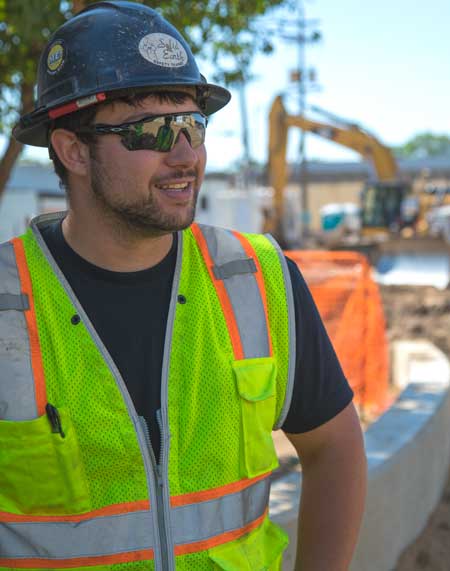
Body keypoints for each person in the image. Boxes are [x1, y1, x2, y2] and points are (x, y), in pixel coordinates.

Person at [0, 2, 366, 570]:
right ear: (73, 150)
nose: (186, 155)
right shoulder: (5, 304)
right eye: (152, 131)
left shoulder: (258, 279)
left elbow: (335, 445)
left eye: (193, 126)